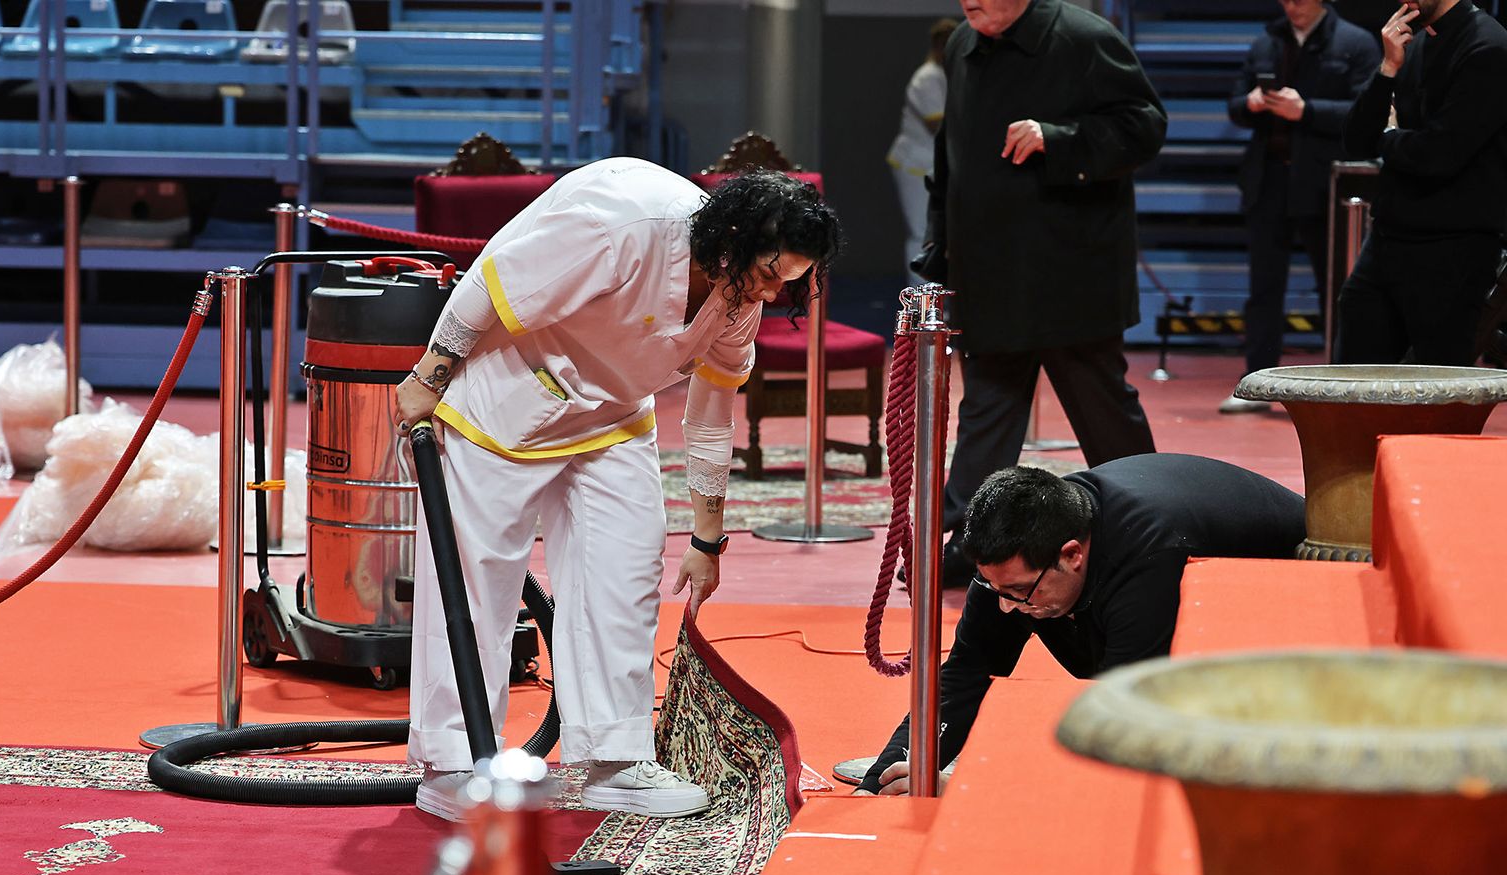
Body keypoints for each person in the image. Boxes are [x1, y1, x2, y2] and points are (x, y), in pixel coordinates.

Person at [391, 159, 842, 821]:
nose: (773, 295)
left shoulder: (736, 296)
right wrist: (429, 376)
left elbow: (711, 415)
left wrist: (708, 537)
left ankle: (614, 757)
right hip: (507, 391)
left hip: (613, 416)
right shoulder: (622, 225)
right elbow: (490, 282)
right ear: (737, 236)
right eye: (772, 273)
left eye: (791, 283)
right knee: (474, 582)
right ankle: (451, 761)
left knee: (624, 574)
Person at [856, 454, 1305, 795]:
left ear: (1072, 554)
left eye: (1017, 592)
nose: (1008, 608)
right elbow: (966, 673)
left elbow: (1120, 727)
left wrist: (977, 785)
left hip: (1294, 607)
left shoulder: (1146, 557)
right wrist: (892, 772)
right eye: (995, 589)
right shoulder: (1017, 564)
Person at [919, 0, 1166, 588]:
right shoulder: (963, 44)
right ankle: (972, 539)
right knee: (986, 410)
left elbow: (1146, 126)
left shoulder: (1085, 37)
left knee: (1102, 408)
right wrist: (936, 252)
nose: (968, 2)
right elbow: (949, 161)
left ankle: (1155, 520)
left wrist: (1060, 139)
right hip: (990, 271)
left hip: (1070, 275)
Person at [1222, 0, 1380, 414]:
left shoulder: (1355, 42)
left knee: (1337, 289)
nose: (1292, 7)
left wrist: (1306, 111)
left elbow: (1369, 111)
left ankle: (1343, 385)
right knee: (1263, 289)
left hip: (1323, 182)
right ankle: (1257, 384)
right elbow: (1235, 104)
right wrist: (1252, 102)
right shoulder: (1266, 40)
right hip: (1269, 178)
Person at [1333, 0, 1507, 366]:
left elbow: (1439, 155)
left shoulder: (1489, 47)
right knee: (1351, 377)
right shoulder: (1409, 42)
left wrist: (1389, 135)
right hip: (1387, 240)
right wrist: (1387, 68)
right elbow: (1356, 140)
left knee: (1434, 393)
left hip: (1452, 251)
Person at [887, 17, 960, 285]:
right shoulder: (926, 78)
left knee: (935, 232)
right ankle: (919, 299)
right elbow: (937, 126)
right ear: (941, 47)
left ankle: (934, 296)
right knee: (920, 232)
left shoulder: (943, 74)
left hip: (932, 163)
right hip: (914, 164)